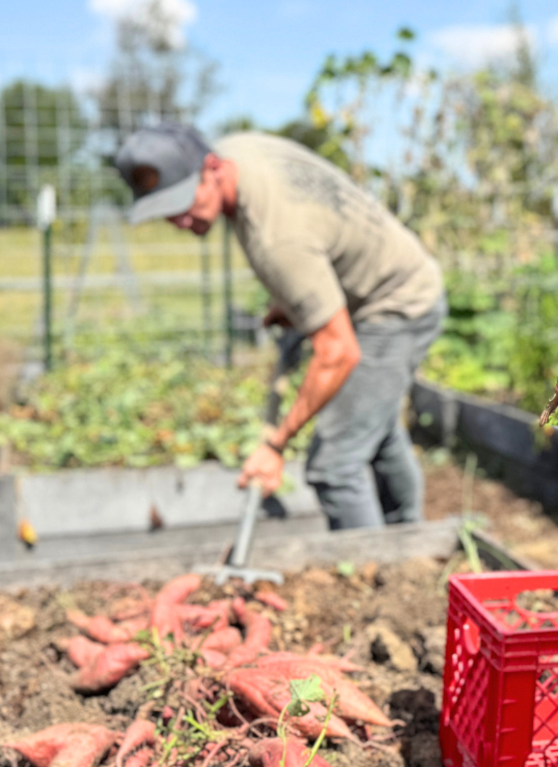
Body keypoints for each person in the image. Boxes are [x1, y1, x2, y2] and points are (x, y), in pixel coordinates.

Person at [115, 123, 446, 531]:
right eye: (165, 210)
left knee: (334, 465)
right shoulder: (239, 151)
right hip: (376, 282)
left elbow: (339, 352)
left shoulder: (276, 238)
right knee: (368, 421)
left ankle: (374, 562)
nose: (179, 220)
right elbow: (313, 233)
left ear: (213, 168)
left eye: (184, 201)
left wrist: (274, 446)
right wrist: (303, 298)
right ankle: (408, 538)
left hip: (398, 304)